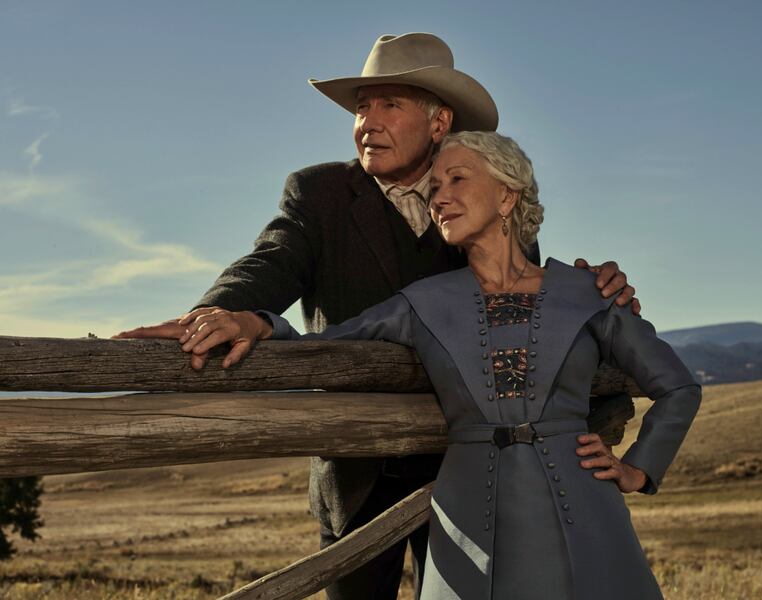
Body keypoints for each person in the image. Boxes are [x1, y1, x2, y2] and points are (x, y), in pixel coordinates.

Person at [114, 33, 642, 599]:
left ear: (440, 123)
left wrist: (591, 299)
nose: (368, 121)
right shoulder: (320, 193)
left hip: (469, 471)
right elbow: (273, 259)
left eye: (390, 104)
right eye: (362, 106)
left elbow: (524, 314)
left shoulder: (481, 195)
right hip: (357, 473)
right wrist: (222, 309)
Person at [178, 131, 701, 599]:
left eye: (457, 179)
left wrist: (639, 468)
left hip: (583, 502)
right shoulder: (421, 302)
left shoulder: (588, 292)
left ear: (507, 194)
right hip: (468, 510)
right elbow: (330, 343)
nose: (440, 196)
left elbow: (677, 386)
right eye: (434, 189)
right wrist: (257, 322)